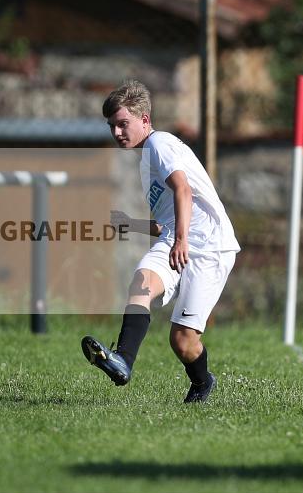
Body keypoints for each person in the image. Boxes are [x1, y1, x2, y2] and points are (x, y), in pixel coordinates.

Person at [82, 79, 240, 403]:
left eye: (122, 124)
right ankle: (122, 360)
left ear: (145, 120)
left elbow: (184, 190)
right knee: (141, 283)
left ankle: (201, 382)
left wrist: (181, 240)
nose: (116, 133)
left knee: (182, 341)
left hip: (210, 246)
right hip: (176, 240)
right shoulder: (147, 161)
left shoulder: (160, 144)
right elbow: (168, 220)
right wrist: (133, 225)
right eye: (112, 126)